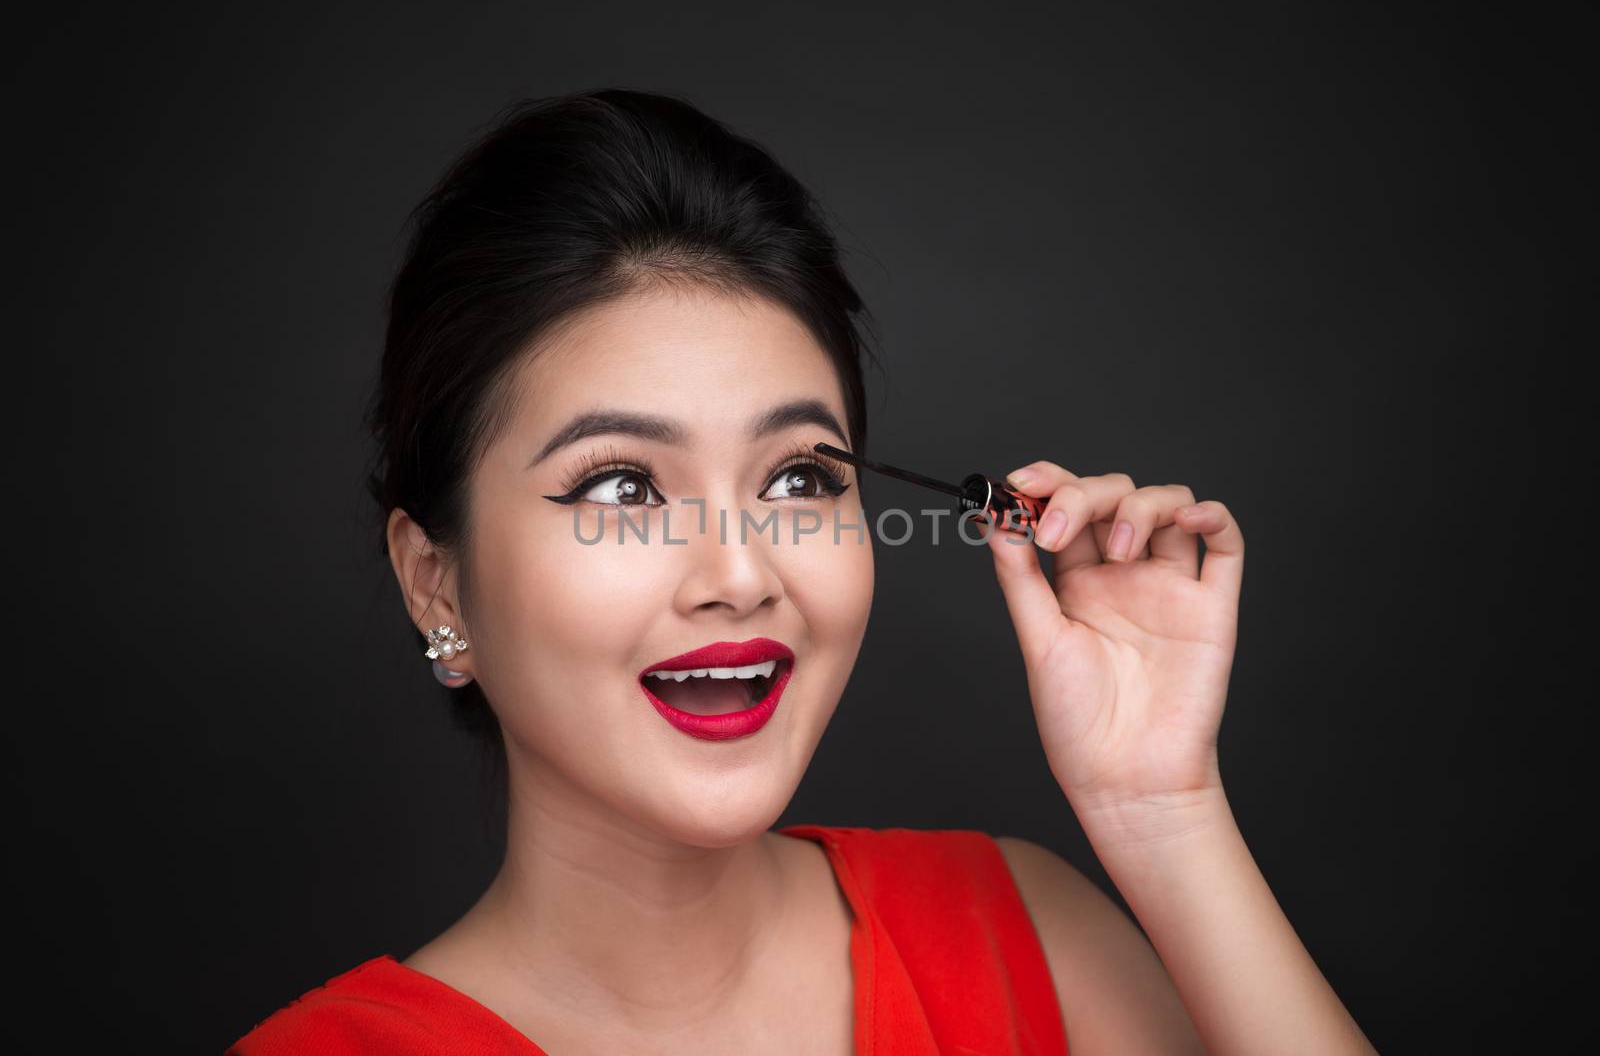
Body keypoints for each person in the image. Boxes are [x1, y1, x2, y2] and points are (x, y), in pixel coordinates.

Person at [228, 86, 1376, 1055]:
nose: (740, 572)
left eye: (797, 480)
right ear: (436, 582)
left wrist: (1162, 812)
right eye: (622, 488)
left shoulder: (1018, 935)